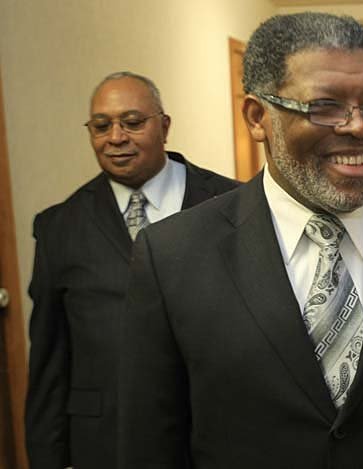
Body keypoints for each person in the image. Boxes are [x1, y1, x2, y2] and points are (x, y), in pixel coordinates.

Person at [119, 13, 363, 469]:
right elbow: (151, 444)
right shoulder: (172, 257)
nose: (359, 127)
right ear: (257, 116)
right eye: (325, 106)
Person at [25, 71, 238, 469]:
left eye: (133, 122)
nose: (116, 137)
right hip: (107, 442)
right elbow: (49, 365)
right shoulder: (59, 227)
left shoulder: (233, 203)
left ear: (165, 126)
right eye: (101, 126)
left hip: (223, 433)